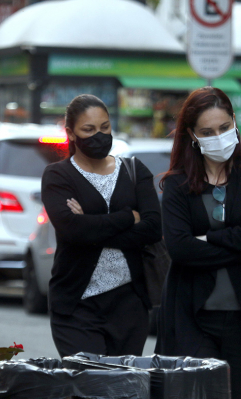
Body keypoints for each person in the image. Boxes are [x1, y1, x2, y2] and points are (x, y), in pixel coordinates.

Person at [155, 87, 241, 399]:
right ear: (192, 135)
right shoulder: (177, 184)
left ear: (235, 123)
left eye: (224, 128)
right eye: (207, 131)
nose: (219, 136)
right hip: (191, 320)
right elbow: (180, 248)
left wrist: (209, 238)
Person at [41, 94, 162, 358]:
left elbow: (154, 227)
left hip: (129, 304)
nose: (99, 135)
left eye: (105, 127)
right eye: (89, 130)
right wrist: (129, 217)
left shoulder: (133, 170)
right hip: (76, 305)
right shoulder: (58, 175)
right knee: (89, 384)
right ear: (71, 134)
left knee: (122, 387)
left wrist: (91, 227)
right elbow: (72, 230)